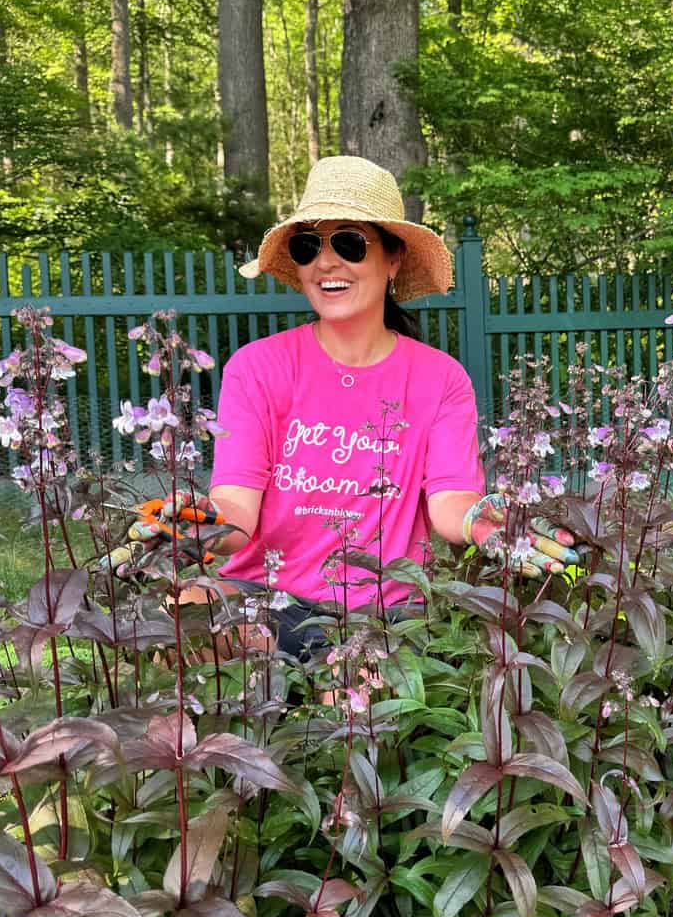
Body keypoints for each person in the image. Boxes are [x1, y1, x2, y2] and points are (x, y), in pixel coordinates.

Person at [188, 155, 573, 660]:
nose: (326, 263)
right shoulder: (257, 369)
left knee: (350, 701)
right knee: (187, 611)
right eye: (308, 247)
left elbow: (451, 503)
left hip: (382, 613)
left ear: (392, 258)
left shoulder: (439, 379)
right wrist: (194, 526)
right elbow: (236, 511)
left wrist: (484, 519)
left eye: (349, 243)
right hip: (263, 601)